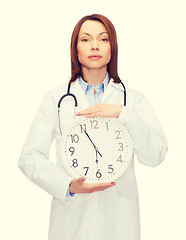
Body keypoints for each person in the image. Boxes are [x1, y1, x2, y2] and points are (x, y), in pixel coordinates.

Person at [18, 14, 168, 240]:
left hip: (119, 222)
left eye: (103, 39)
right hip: (71, 220)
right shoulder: (57, 99)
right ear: (75, 48)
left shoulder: (132, 100)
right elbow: (29, 157)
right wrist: (67, 185)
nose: (95, 46)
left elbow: (156, 154)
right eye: (86, 39)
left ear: (112, 48)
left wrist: (122, 114)